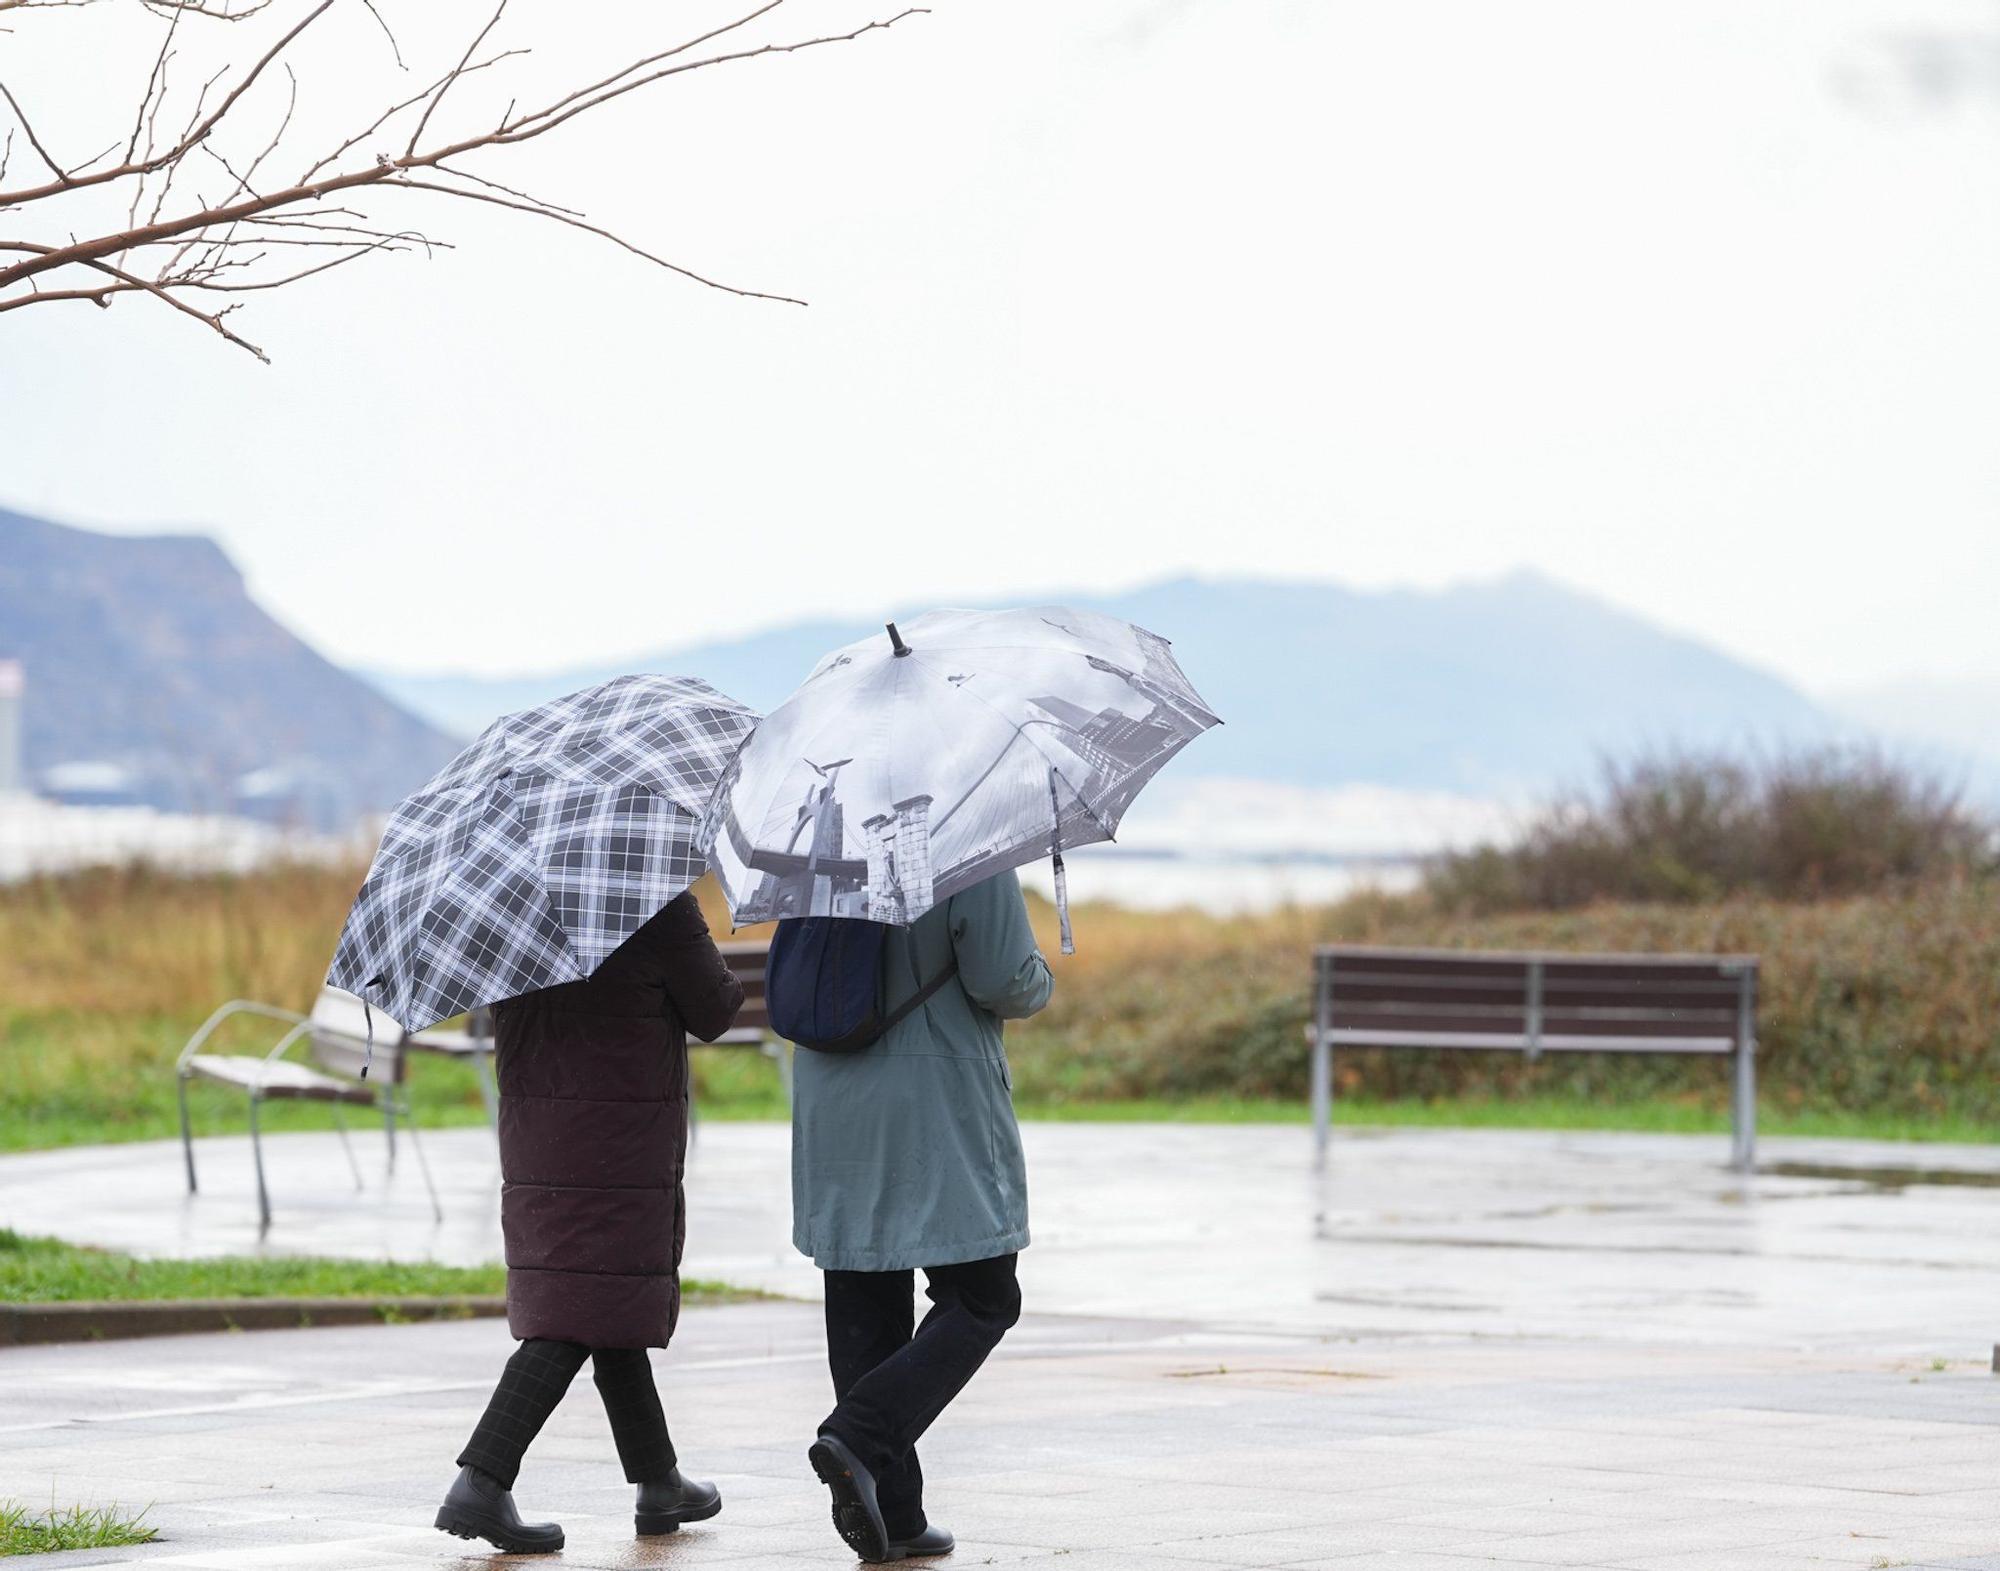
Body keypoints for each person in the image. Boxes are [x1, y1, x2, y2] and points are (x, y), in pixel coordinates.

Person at [434, 891, 744, 1555]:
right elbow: (716, 1009)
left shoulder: (506, 903)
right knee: (582, 1302)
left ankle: (660, 1480)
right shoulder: (651, 899)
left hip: (536, 1129)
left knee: (602, 1288)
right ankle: (483, 1475)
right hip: (619, 1135)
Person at [793, 869, 1054, 1563]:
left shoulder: (813, 836)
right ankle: (861, 1432)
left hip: (830, 1087)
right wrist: (1041, 976)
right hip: (930, 1087)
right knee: (984, 1294)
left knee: (863, 1286)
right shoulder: (964, 828)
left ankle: (898, 1513)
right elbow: (1003, 976)